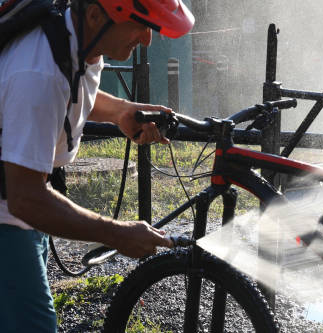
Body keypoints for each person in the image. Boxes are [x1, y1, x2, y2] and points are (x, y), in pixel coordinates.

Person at [0, 0, 194, 331]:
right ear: (95, 14)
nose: (147, 39)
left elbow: (71, 89)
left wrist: (120, 110)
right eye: (140, 24)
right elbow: (26, 198)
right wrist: (117, 233)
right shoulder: (37, 74)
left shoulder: (78, 42)